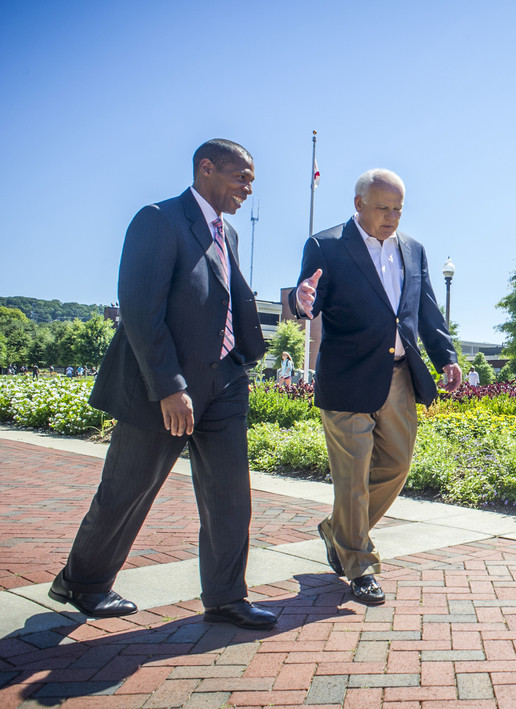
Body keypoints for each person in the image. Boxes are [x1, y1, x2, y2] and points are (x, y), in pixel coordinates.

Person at [49, 139, 276, 631]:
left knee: (231, 497)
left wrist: (291, 311)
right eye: (242, 176)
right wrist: (171, 387)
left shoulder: (228, 234)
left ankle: (225, 596)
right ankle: (83, 582)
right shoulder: (158, 219)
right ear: (206, 168)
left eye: (252, 180)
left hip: (224, 385)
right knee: (127, 491)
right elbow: (139, 308)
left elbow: (228, 303)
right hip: (160, 390)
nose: (248, 188)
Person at [291, 168, 460, 606]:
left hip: (400, 376)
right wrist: (298, 301)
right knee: (352, 479)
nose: (392, 216)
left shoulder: (414, 249)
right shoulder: (326, 245)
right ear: (358, 204)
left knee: (397, 465)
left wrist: (447, 358)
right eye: (383, 207)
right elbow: (309, 299)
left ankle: (337, 530)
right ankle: (360, 565)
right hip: (347, 378)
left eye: (398, 208)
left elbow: (425, 311)